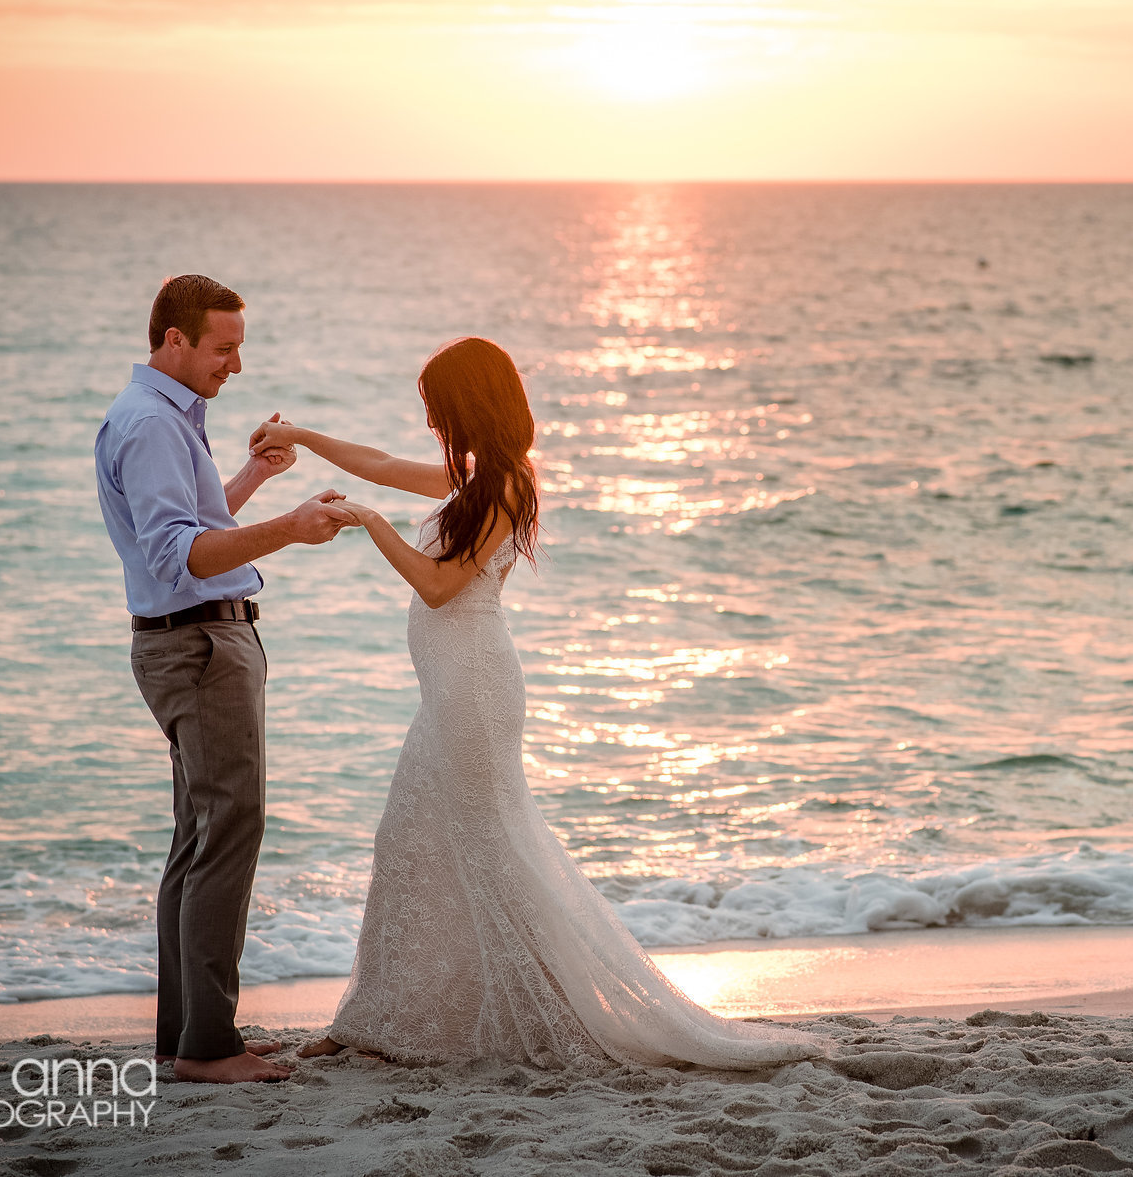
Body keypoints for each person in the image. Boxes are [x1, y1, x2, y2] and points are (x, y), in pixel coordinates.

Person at [249, 336, 823, 1070]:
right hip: (450, 692)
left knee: (492, 850)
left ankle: (517, 1004)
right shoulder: (479, 477)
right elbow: (387, 466)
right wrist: (302, 436)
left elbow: (437, 584)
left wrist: (369, 520)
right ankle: (377, 1013)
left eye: (437, 409)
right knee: (412, 843)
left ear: (468, 406)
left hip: (475, 693)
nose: (431, 424)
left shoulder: (509, 485)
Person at [95, 274, 354, 1084]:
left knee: (199, 835)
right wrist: (290, 530)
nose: (235, 365)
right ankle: (207, 1047)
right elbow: (182, 558)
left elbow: (186, 530)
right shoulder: (150, 426)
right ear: (174, 340)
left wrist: (249, 481)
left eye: (240, 347)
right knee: (228, 831)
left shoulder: (164, 418)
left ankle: (187, 1038)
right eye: (223, 347)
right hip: (198, 648)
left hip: (194, 640)